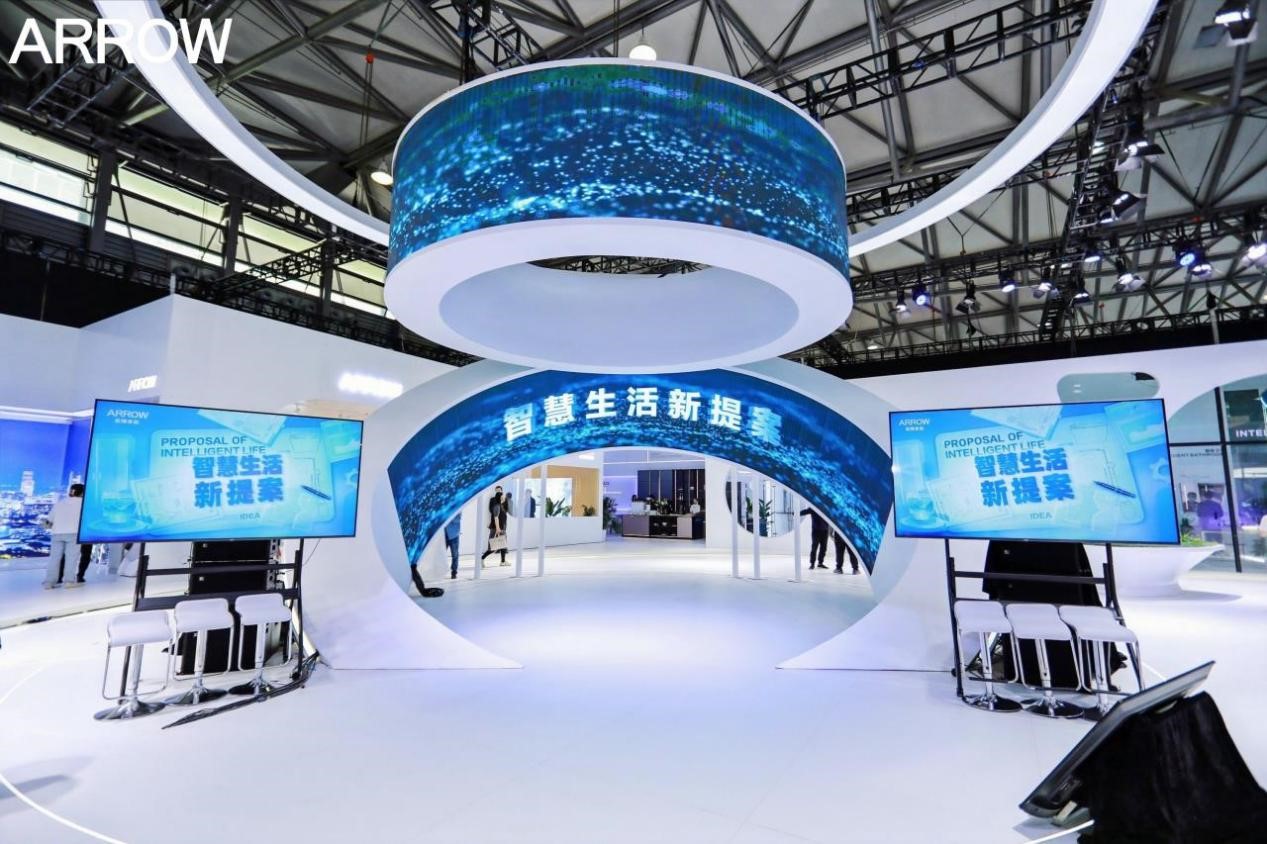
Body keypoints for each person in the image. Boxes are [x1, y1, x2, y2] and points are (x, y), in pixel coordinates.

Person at [42, 484, 85, 589]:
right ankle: (68, 581)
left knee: (54, 559)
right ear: (82, 493)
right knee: (71, 558)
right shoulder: (83, 504)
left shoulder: (60, 503)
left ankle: (49, 582)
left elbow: (49, 520)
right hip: (74, 533)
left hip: (57, 533)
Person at [480, 486, 508, 567]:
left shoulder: (501, 505)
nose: (503, 496)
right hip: (497, 528)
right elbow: (496, 517)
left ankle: (503, 562)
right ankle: (481, 558)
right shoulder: (497, 506)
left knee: (503, 544)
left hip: (502, 527)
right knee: (493, 547)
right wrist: (498, 528)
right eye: (502, 496)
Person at [444, 513, 462, 579]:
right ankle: (438, 570)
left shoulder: (456, 509)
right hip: (444, 534)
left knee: (455, 554)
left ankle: (454, 571)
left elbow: (457, 519)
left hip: (454, 535)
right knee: (440, 554)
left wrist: (448, 516)